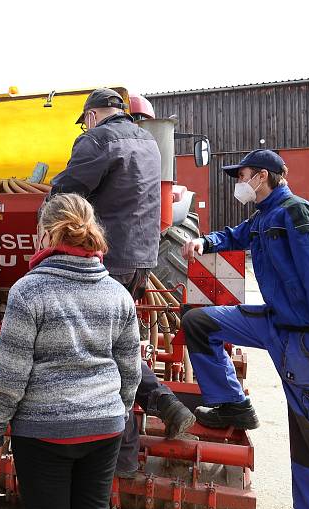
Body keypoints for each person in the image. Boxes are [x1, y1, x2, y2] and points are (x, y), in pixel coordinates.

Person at [181, 150, 309, 509]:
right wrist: (206, 241)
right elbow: (235, 235)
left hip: (304, 338)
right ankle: (234, 404)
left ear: (262, 177)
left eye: (242, 175)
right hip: (273, 323)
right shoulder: (265, 216)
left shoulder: (297, 216)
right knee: (199, 322)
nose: (238, 183)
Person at [50, 87, 196, 477]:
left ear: (93, 116)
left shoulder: (96, 139)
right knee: (118, 342)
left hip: (105, 255)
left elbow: (67, 191)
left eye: (86, 120)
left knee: (102, 349)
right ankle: (158, 408)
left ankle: (127, 448)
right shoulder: (148, 141)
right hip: (141, 256)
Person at [0, 193, 141, 509]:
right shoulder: (118, 294)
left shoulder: (28, 292)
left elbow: (11, 377)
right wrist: (115, 410)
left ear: (46, 234)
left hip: (43, 432)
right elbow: (131, 370)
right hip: (105, 426)